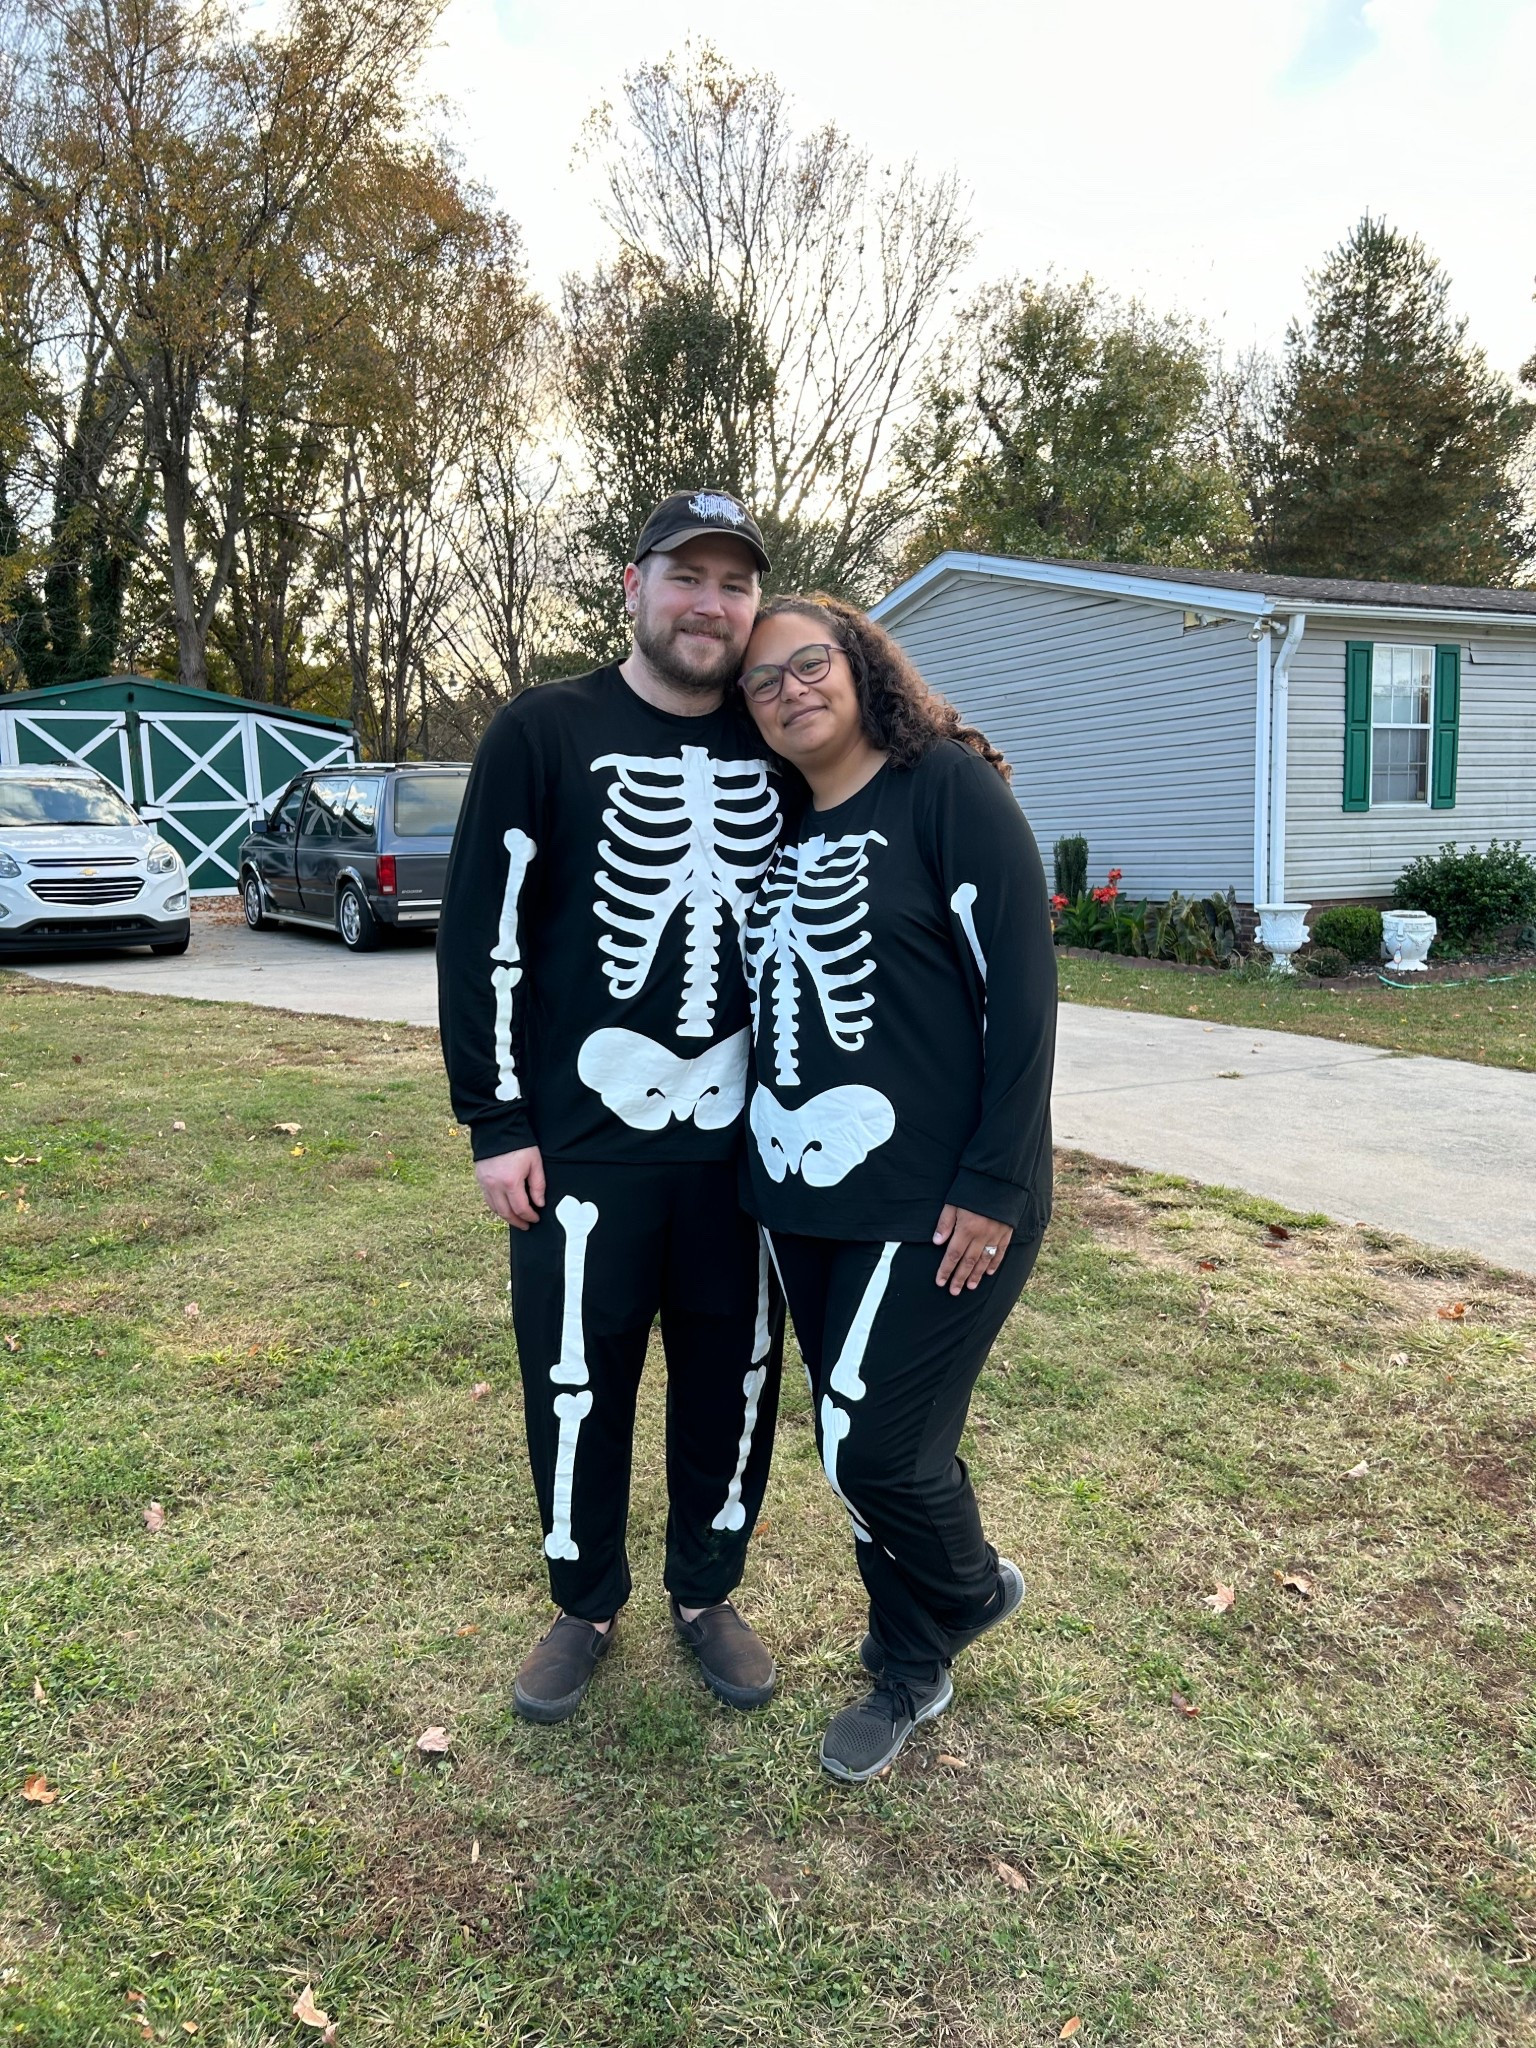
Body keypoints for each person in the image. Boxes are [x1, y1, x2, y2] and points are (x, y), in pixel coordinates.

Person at [438, 491, 786, 1725]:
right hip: (583, 1139)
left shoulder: (779, 739)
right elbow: (482, 930)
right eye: (687, 575)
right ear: (632, 586)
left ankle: (707, 1587)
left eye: (735, 583)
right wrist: (494, 1118)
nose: (711, 602)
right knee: (572, 1373)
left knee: (735, 1372)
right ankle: (583, 1597)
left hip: (745, 1148)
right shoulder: (544, 729)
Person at [734, 593, 1056, 1783]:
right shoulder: (772, 826)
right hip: (799, 1193)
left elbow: (1021, 994)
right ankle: (907, 1663)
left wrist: (998, 1179)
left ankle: (969, 1592)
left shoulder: (948, 793)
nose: (789, 690)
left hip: (942, 1197)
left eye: (807, 661)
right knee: (852, 1441)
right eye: (762, 683)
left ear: (863, 665)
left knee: (874, 1444)